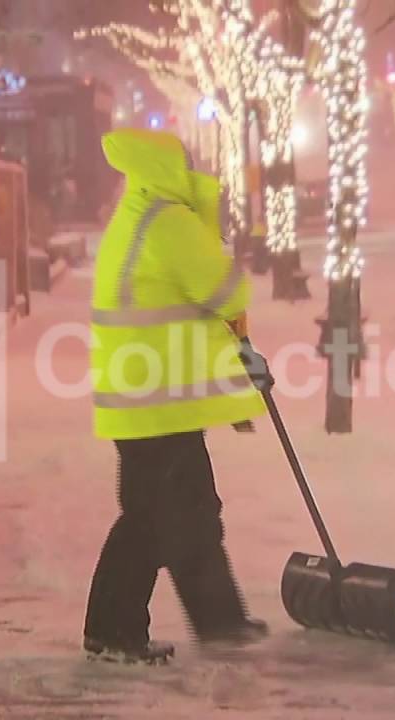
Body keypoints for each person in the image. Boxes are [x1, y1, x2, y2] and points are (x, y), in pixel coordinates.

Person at [84, 129, 274, 665]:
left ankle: (218, 620)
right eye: (186, 161)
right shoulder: (169, 221)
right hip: (158, 401)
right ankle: (116, 632)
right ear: (169, 168)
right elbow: (225, 291)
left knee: (179, 512)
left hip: (142, 397)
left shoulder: (135, 215)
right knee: (156, 519)